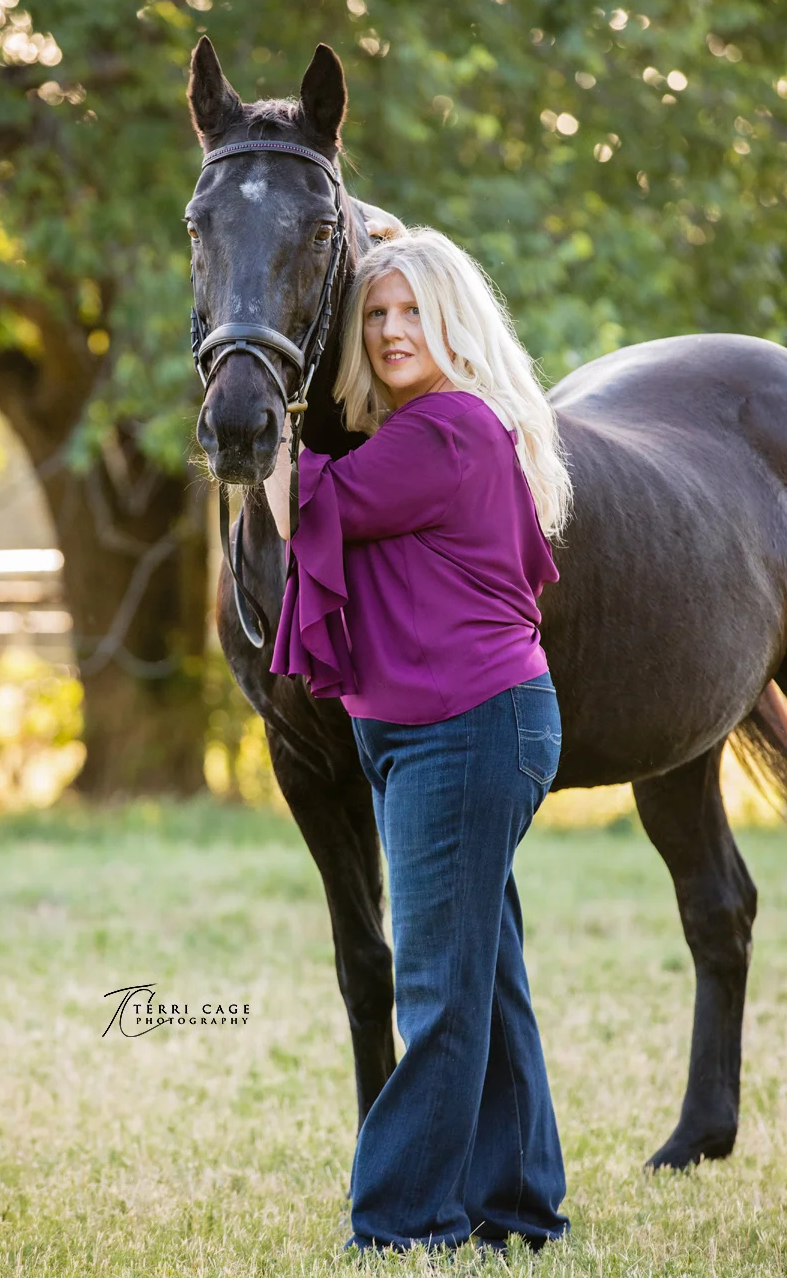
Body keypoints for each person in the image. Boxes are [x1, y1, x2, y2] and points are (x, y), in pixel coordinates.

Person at [264, 227, 575, 1258]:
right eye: (376, 314)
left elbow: (303, 505)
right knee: (486, 976)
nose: (392, 331)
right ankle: (518, 1204)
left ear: (453, 321)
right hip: (453, 728)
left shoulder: (444, 431)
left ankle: (402, 1223)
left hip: (463, 731)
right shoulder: (443, 427)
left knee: (439, 990)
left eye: (413, 312)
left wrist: (261, 406)